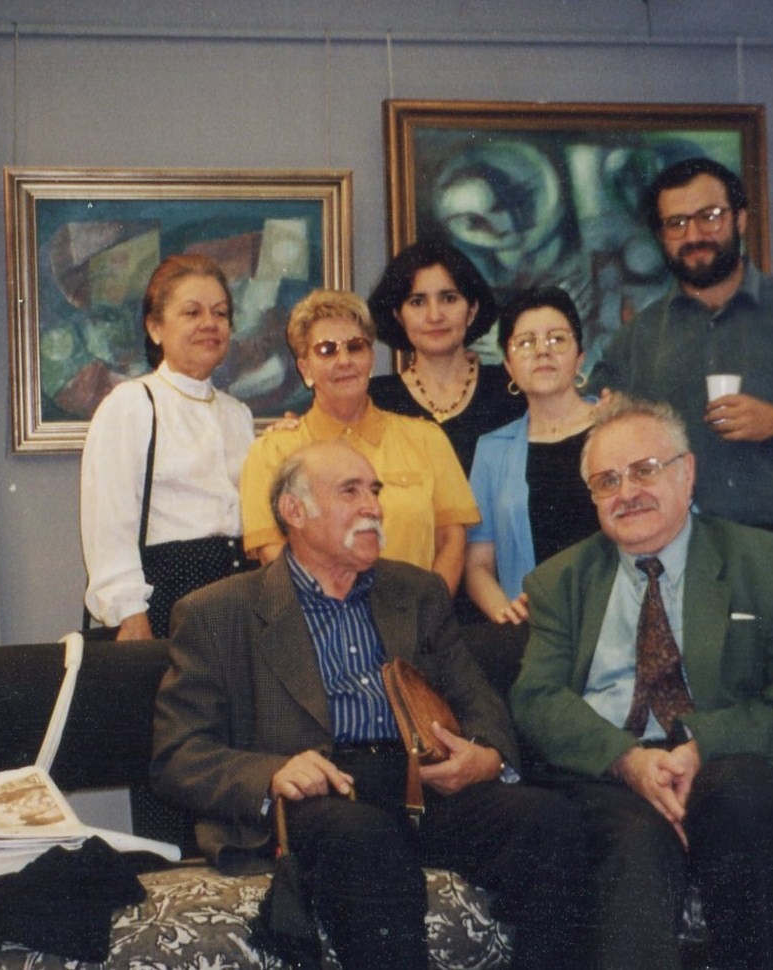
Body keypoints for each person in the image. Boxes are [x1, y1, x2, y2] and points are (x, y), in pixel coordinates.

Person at [152, 440, 591, 969]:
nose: (374, 507)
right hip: (324, 793)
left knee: (550, 821)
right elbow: (178, 754)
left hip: (421, 782)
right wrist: (272, 773)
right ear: (295, 511)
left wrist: (488, 755)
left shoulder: (418, 591)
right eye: (350, 491)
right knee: (364, 839)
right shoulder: (218, 612)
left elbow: (477, 698)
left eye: (375, 491)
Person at [510, 394, 773, 970]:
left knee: (743, 795)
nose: (627, 492)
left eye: (645, 471)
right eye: (607, 481)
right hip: (607, 771)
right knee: (636, 837)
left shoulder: (768, 563)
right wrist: (627, 760)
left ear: (688, 472)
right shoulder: (560, 581)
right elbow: (536, 699)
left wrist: (700, 747)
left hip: (722, 757)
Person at [588, 157, 773, 607]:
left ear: (740, 219)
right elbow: (592, 418)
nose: (694, 235)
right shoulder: (637, 339)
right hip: (677, 558)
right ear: (661, 236)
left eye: (709, 216)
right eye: (676, 223)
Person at [239, 288, 480, 596]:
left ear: (371, 357)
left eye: (355, 347)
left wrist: (425, 618)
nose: (344, 361)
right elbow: (273, 555)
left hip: (415, 629)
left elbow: (452, 541)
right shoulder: (271, 453)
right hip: (319, 628)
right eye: (327, 350)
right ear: (305, 368)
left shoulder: (427, 439)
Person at [80, 252, 254, 639]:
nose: (210, 324)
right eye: (192, 313)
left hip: (242, 598)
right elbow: (110, 521)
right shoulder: (132, 404)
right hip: (169, 601)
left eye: (221, 313)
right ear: (155, 328)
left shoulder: (238, 414)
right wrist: (130, 614)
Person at [465, 286, 600, 625]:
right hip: (536, 632)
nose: (543, 352)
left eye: (557, 339)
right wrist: (504, 612)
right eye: (525, 342)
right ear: (508, 366)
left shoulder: (620, 428)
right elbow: (477, 563)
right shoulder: (492, 450)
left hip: (618, 620)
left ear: (580, 357)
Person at [367, 238, 525, 473]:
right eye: (417, 301)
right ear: (399, 316)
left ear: (472, 311)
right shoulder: (374, 400)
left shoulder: (512, 389)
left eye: (449, 298)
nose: (434, 315)